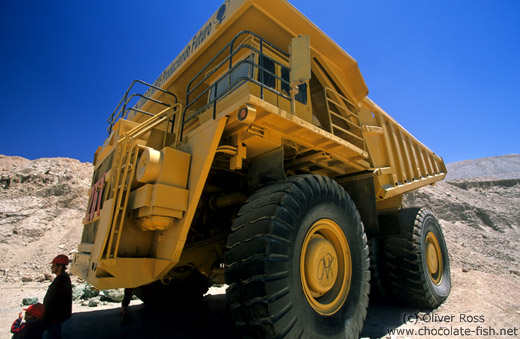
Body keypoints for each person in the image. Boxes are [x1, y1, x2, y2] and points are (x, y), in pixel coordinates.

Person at [42, 255, 72, 339]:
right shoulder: (63, 279)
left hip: (55, 318)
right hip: (55, 317)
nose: (51, 268)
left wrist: (48, 317)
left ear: (60, 267)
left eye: (53, 265)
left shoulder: (61, 281)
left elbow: (55, 302)